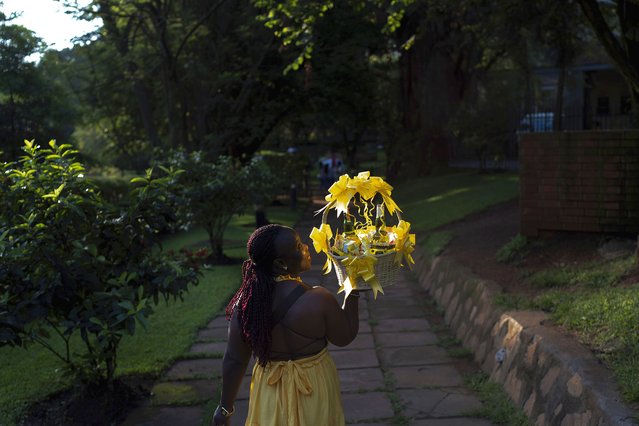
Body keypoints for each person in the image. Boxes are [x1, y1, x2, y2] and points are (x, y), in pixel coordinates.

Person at [212, 224, 362, 426]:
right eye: (299, 246)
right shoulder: (319, 299)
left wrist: (224, 409)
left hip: (269, 392)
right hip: (314, 387)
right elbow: (345, 336)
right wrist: (353, 287)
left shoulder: (246, 306)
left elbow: (234, 360)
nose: (307, 247)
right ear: (281, 263)